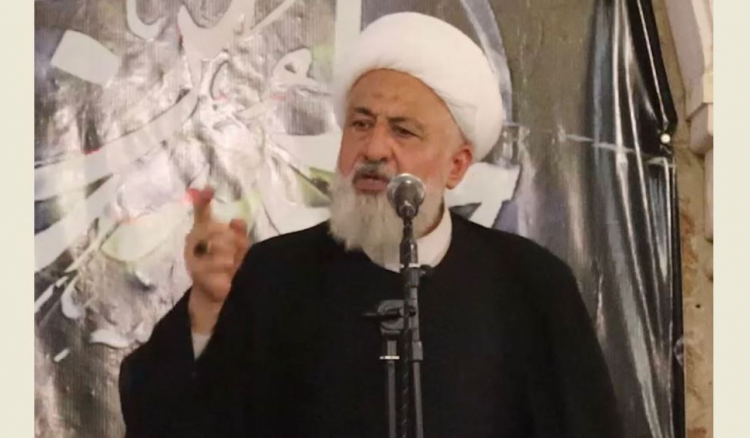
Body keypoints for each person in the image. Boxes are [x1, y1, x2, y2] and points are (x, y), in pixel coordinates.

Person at [119, 12, 622, 438]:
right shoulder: (275, 275)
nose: (374, 148)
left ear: (457, 166)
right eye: (361, 124)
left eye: (403, 131)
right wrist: (206, 312)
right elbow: (165, 422)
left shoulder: (531, 286)